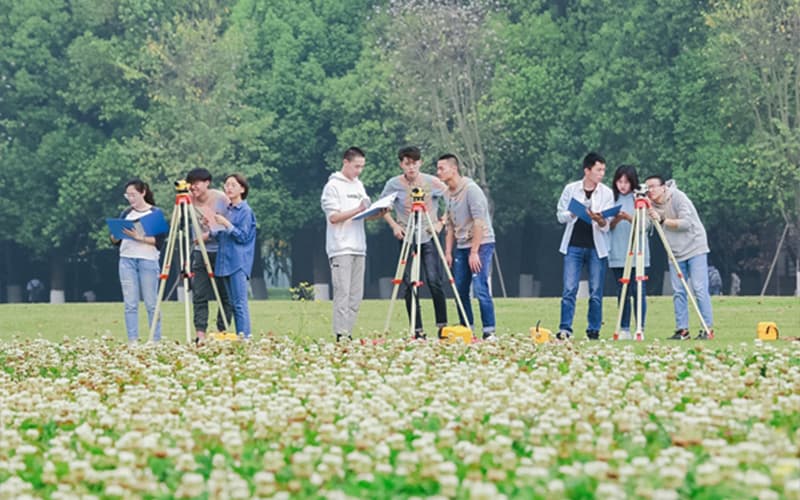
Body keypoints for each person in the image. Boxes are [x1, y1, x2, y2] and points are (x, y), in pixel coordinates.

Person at [380, 146, 448, 339]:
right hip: (407, 236)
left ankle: (442, 326)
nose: (411, 167)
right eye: (407, 163)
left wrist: (441, 223)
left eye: (415, 163)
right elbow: (383, 207)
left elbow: (452, 199)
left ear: (421, 163)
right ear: (401, 164)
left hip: (429, 235)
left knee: (434, 280)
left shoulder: (432, 182)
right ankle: (417, 329)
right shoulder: (393, 184)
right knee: (409, 282)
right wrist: (394, 226)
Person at [644, 175, 715, 340]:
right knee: (678, 290)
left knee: (699, 288)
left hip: (695, 246)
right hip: (674, 251)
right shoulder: (650, 204)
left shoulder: (678, 197)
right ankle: (682, 329)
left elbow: (686, 223)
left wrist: (662, 219)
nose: (651, 190)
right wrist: (641, 211)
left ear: (663, 187)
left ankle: (707, 328)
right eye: (648, 187)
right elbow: (646, 227)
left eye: (653, 186)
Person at [436, 153, 497, 340]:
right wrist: (447, 252)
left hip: (481, 243)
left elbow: (479, 222)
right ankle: (466, 328)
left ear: (453, 169)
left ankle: (489, 330)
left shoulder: (471, 190)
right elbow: (451, 226)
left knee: (480, 287)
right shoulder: (447, 194)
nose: (438, 172)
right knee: (459, 289)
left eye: (441, 168)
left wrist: (474, 252)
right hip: (461, 246)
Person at [556, 152, 614, 340]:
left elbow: (608, 224)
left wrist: (600, 219)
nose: (601, 174)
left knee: (596, 291)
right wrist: (573, 214)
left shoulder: (606, 192)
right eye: (598, 170)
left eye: (603, 170)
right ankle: (565, 328)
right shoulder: (571, 189)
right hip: (573, 245)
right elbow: (560, 215)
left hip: (596, 247)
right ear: (587, 170)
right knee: (569, 289)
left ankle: (594, 328)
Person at [321, 147, 374, 342]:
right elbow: (334, 217)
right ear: (346, 162)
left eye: (362, 167)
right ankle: (341, 334)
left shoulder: (359, 185)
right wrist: (358, 209)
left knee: (356, 294)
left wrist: (375, 211)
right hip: (340, 246)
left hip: (359, 245)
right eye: (356, 166)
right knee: (342, 292)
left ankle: (349, 331)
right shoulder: (333, 186)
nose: (359, 171)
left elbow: (362, 213)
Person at [111, 179, 168, 343]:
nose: (130, 198)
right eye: (127, 195)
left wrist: (139, 237)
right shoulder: (126, 213)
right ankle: (133, 339)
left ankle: (155, 339)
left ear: (143, 193)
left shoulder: (154, 213)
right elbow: (115, 241)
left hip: (148, 260)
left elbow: (159, 242)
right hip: (127, 259)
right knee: (130, 303)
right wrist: (116, 234)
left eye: (133, 195)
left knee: (151, 303)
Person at [186, 168, 234, 341]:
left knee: (225, 294)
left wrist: (208, 233)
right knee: (199, 293)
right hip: (200, 252)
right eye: (191, 184)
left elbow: (230, 224)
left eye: (197, 183)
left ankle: (222, 331)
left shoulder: (221, 198)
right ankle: (200, 334)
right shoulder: (188, 200)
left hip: (220, 250)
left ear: (207, 182)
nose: (193, 187)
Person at [211, 174, 257, 339]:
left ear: (242, 189)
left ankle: (244, 338)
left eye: (233, 185)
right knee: (230, 303)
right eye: (226, 185)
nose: (228, 188)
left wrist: (226, 223)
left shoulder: (245, 211)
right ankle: (238, 337)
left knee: (239, 304)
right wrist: (211, 227)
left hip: (238, 262)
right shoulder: (227, 210)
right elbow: (222, 236)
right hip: (224, 262)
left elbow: (243, 236)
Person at [607, 165, 649, 339]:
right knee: (622, 291)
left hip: (638, 252)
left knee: (638, 290)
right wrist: (617, 219)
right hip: (618, 251)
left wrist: (629, 218)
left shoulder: (639, 198)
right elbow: (606, 225)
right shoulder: (611, 198)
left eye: (626, 182)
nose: (622, 185)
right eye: (619, 181)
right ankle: (624, 328)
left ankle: (640, 326)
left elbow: (645, 226)